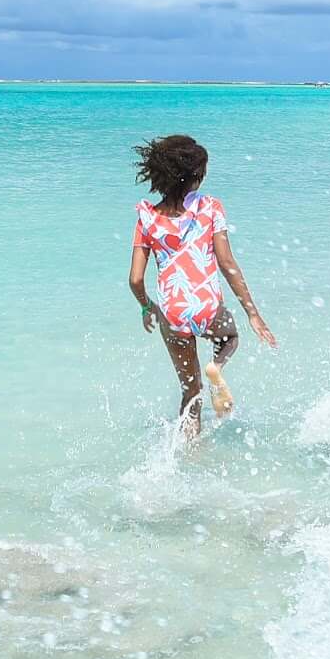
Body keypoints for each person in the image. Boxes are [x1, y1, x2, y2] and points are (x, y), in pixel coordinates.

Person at [127, 133, 277, 435]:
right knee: (229, 337)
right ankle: (217, 367)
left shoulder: (148, 218)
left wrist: (146, 307)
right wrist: (253, 313)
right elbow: (227, 263)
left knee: (190, 392)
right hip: (207, 306)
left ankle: (192, 458)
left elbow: (135, 279)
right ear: (195, 177)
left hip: (172, 312)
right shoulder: (210, 208)